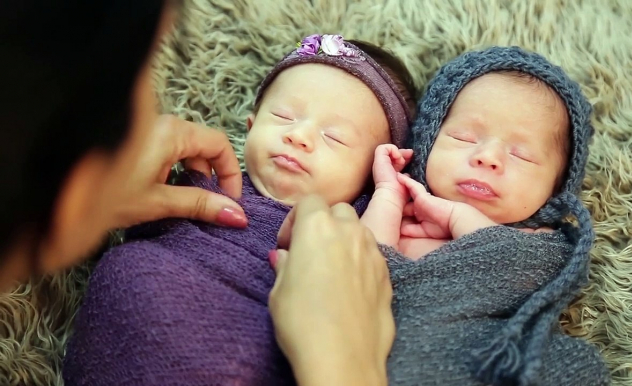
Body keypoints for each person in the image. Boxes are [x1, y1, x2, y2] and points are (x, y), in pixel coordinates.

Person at [0, 1, 395, 385]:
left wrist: (389, 193)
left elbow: (385, 258)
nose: (299, 135)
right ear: (251, 124)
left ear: (370, 174)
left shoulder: (356, 230)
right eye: (283, 116)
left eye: (335, 138)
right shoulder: (200, 184)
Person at [360, 47, 611, 385]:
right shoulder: (396, 216)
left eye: (521, 155)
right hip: (370, 361)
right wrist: (387, 195)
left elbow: (518, 273)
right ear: (428, 139)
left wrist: (457, 217)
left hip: (482, 362)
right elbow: (357, 265)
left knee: (580, 366)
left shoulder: (539, 242)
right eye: (464, 137)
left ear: (556, 186)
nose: (488, 157)